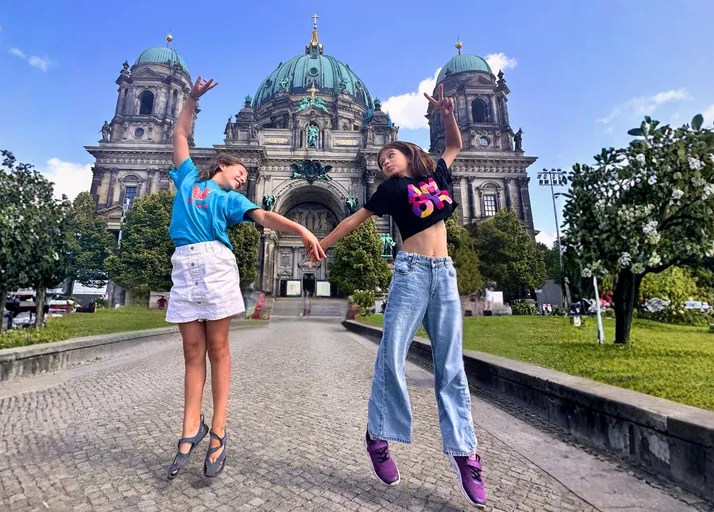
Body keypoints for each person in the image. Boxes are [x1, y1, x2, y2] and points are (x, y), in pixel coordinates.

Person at [312, 84, 486, 507]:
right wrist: (322, 242)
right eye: (379, 159)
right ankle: (378, 437)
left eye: (390, 154)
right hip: (409, 273)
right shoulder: (388, 191)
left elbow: (456, 144)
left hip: (444, 274)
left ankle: (466, 454)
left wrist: (446, 113)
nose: (384, 160)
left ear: (409, 154)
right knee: (391, 356)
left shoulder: (436, 175)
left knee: (451, 368)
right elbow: (355, 219)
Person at [165, 76, 325, 480]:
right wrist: (192, 99)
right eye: (238, 171)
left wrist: (303, 230)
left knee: (217, 349)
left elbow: (267, 217)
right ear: (222, 163)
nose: (242, 178)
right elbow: (180, 133)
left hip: (215, 263)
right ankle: (190, 427)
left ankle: (218, 429)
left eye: (244, 175)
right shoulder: (186, 178)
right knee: (190, 354)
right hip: (185, 265)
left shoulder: (235, 199)